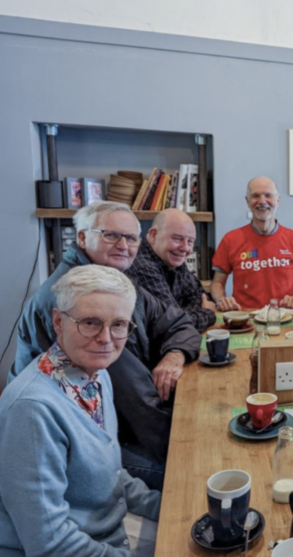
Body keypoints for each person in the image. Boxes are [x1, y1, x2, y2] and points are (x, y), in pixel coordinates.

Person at [10, 201, 201, 490]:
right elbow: (136, 401)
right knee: (198, 473)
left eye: (131, 237)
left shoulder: (117, 283)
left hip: (117, 425)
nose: (124, 245)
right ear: (83, 237)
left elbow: (179, 324)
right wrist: (188, 443)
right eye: (111, 235)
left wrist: (174, 355)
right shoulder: (72, 296)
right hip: (78, 449)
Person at [0, 266, 161, 557]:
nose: (106, 338)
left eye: (119, 325)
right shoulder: (32, 408)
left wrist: (166, 507)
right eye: (90, 322)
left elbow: (113, 476)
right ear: (58, 322)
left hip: (106, 541)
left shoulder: (96, 375)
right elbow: (51, 548)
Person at [210, 176, 293, 310]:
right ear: (247, 201)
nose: (262, 201)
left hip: (283, 317)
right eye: (255, 196)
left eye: (268, 195)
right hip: (244, 318)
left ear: (278, 200)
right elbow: (217, 282)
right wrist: (222, 300)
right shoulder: (230, 239)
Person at [126, 208, 217, 333]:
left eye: (190, 241)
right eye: (177, 239)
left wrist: (181, 313)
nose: (185, 248)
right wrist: (208, 313)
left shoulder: (171, 257)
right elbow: (174, 325)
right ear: (153, 235)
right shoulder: (142, 266)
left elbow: (199, 294)